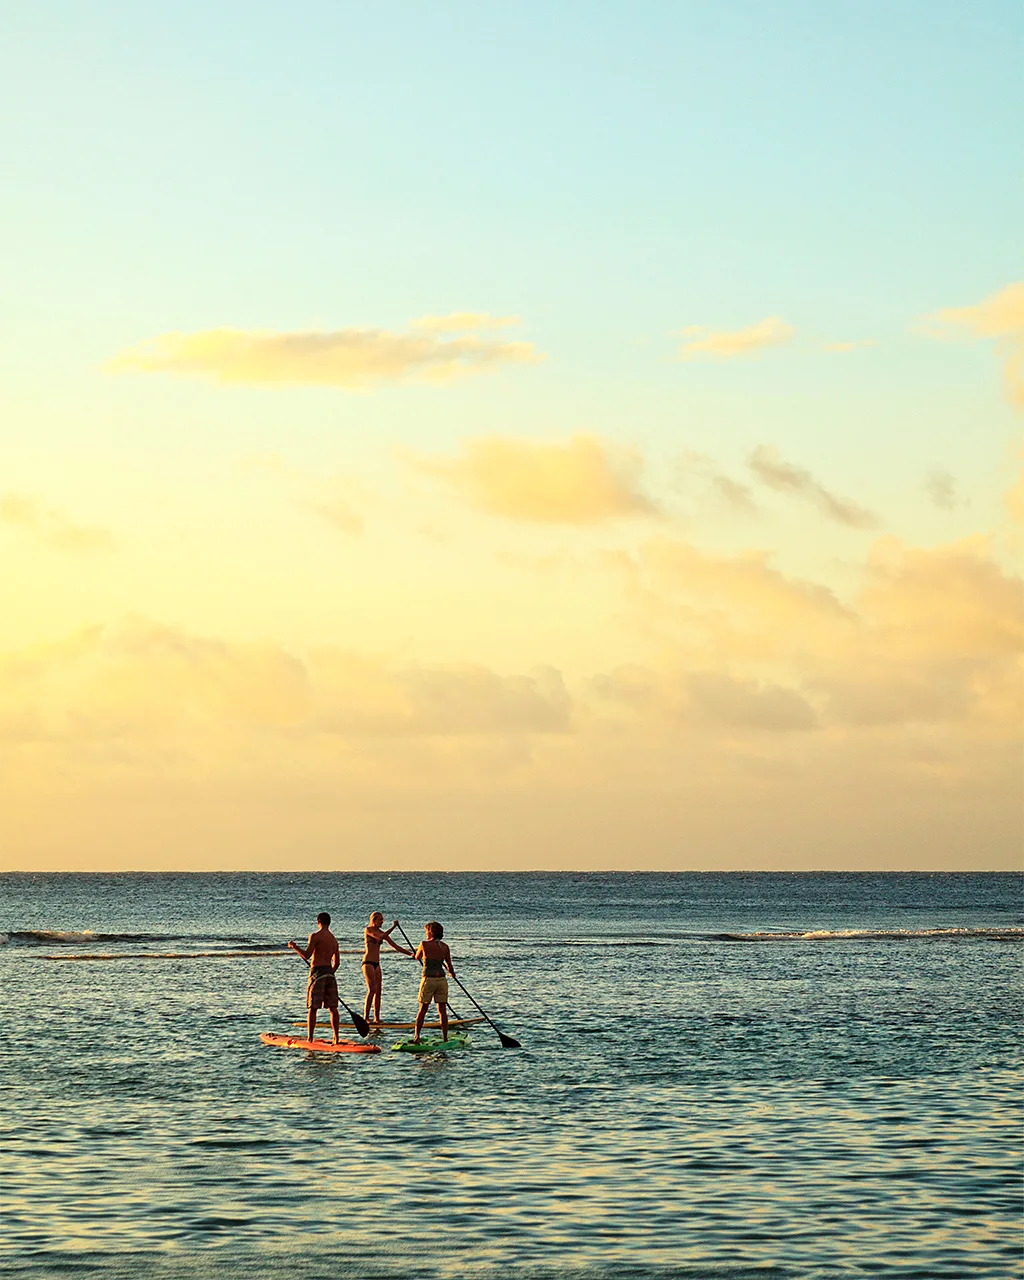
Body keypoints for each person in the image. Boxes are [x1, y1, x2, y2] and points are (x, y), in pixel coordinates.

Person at [288, 912, 341, 1044]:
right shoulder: (334, 940)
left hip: (317, 973)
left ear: (318, 922)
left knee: (313, 1007)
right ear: (329, 923)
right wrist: (329, 972)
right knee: (333, 1008)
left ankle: (310, 1038)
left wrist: (294, 947)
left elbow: (306, 955)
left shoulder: (315, 936)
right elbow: (337, 963)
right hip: (330, 973)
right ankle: (336, 1037)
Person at [362, 912, 414, 1023]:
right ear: (374, 920)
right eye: (380, 920)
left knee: (379, 991)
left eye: (383, 920)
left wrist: (410, 954)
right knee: (372, 990)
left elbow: (395, 946)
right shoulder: (368, 930)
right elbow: (381, 937)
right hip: (368, 963)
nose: (382, 922)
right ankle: (366, 1017)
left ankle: (377, 1018)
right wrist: (394, 927)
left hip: (377, 964)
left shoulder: (382, 932)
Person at [413, 921, 456, 1043]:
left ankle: (416, 1036)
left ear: (431, 932)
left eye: (427, 931)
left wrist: (415, 954)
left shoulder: (424, 944)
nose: (426, 933)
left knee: (423, 1009)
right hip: (442, 980)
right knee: (442, 1010)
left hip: (429, 979)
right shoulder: (445, 947)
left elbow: (417, 956)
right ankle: (445, 1037)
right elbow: (449, 966)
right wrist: (452, 973)